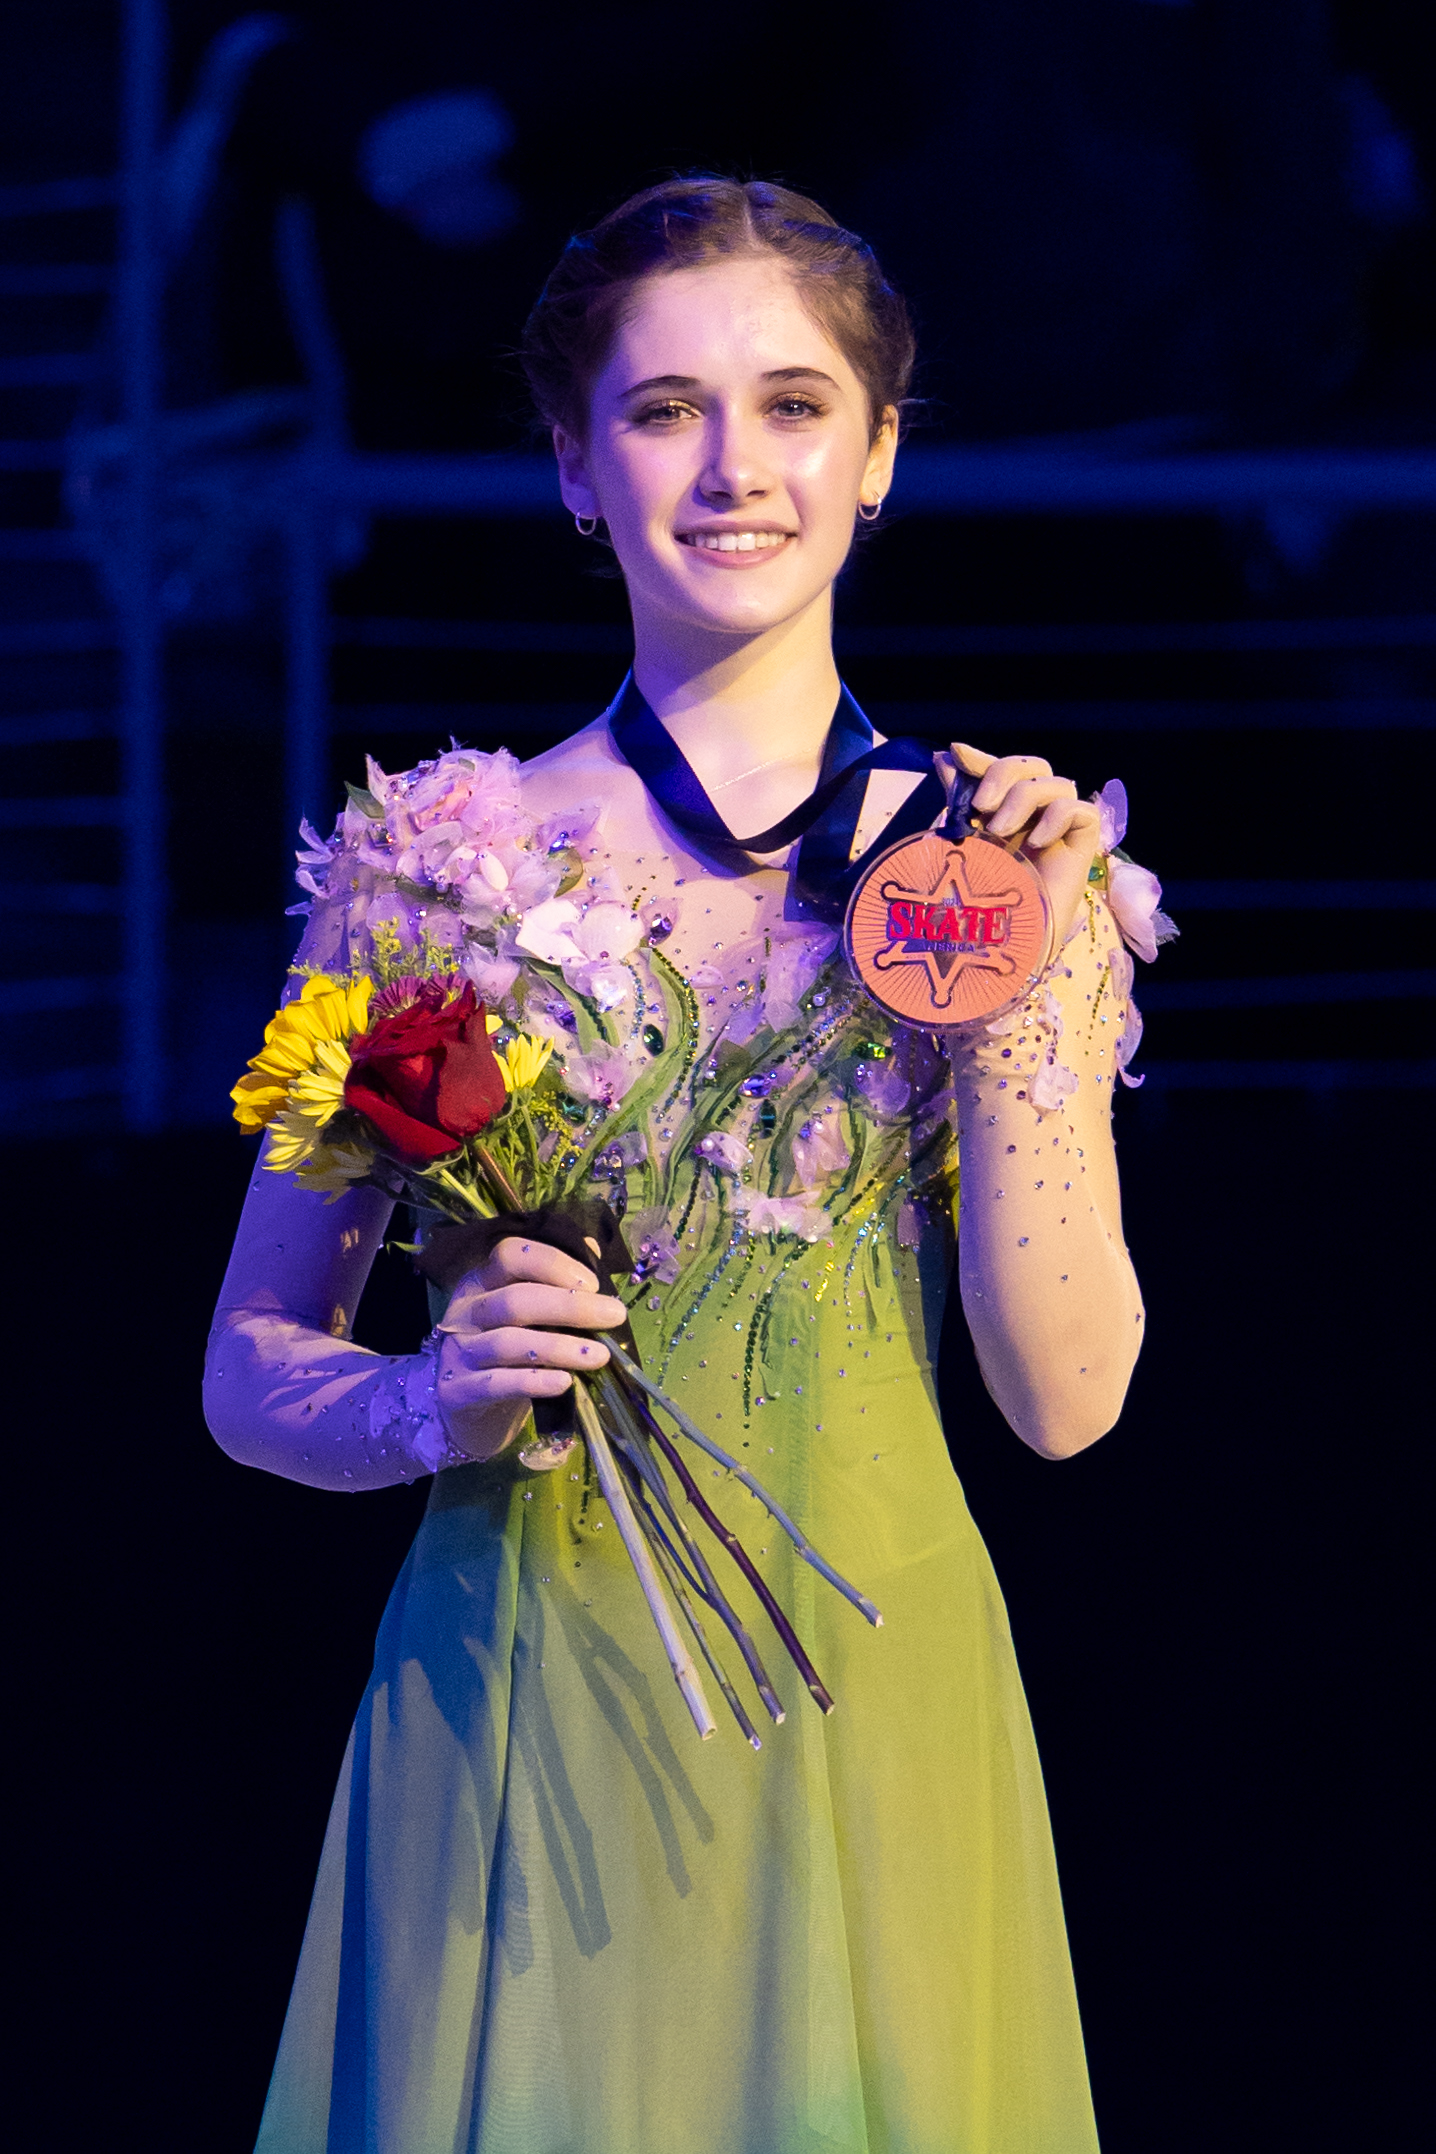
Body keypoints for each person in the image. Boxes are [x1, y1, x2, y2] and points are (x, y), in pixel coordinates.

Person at [207, 177, 1152, 2154]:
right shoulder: (452, 889)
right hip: (524, 1718)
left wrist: (998, 1026)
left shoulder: (995, 881)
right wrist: (416, 1402)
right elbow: (254, 1362)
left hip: (875, 1715)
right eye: (661, 410)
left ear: (879, 450)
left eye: (796, 404)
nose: (734, 466)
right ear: (574, 460)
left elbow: (1063, 1401)